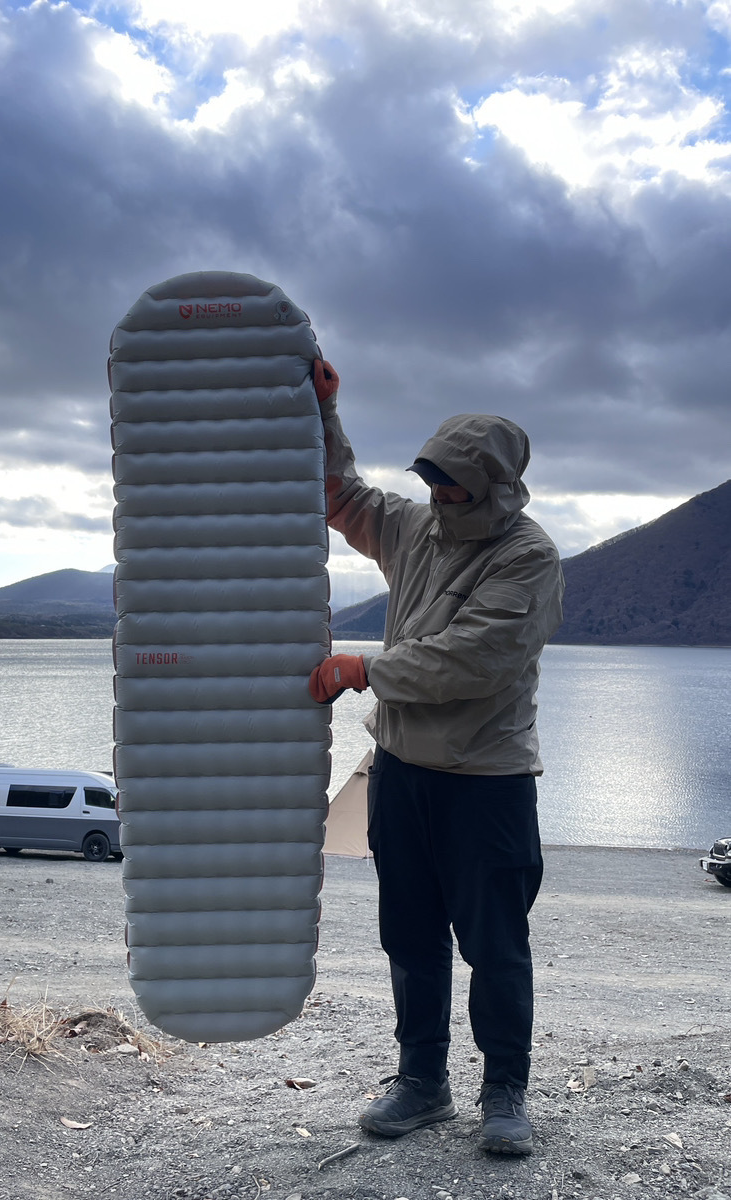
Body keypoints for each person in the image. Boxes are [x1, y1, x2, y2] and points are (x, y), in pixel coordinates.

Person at [308, 359, 564, 1156]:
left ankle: (504, 1092)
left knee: (495, 947)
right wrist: (324, 409)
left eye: (456, 488)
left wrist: (364, 669)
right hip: (401, 773)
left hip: (487, 783)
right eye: (434, 483)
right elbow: (339, 496)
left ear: (495, 486)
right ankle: (422, 1081)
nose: (441, 499)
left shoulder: (528, 556)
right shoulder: (417, 528)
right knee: (410, 935)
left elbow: (474, 659)